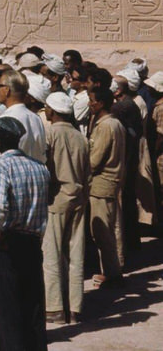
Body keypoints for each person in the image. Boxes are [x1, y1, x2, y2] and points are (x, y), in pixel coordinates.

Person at [0, 115, 50, 351]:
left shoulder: (2, 165)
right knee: (32, 306)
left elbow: (0, 206)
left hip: (8, 243)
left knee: (7, 310)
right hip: (32, 242)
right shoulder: (39, 167)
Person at [43, 90, 89, 327]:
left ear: (51, 111)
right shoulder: (80, 136)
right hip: (79, 197)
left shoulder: (50, 134)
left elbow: (45, 167)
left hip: (57, 198)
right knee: (76, 253)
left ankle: (55, 307)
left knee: (52, 253)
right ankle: (76, 307)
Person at [86, 83, 125, 287]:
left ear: (100, 103)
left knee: (102, 232)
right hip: (110, 183)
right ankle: (111, 271)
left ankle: (112, 274)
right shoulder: (114, 124)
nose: (89, 104)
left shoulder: (106, 126)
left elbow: (95, 159)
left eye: (92, 101)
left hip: (102, 184)